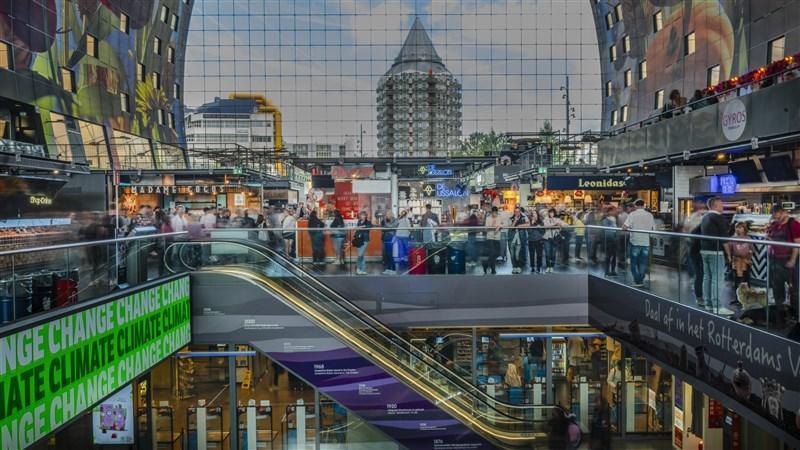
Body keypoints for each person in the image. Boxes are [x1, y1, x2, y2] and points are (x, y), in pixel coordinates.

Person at [765, 204, 800, 326]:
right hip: (775, 261)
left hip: (789, 261)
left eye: (777, 215)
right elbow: (768, 237)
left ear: (783, 212)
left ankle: (796, 316)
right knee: (777, 289)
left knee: (794, 290)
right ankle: (781, 315)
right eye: (774, 216)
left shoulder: (794, 224)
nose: (775, 218)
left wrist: (793, 260)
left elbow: (797, 244)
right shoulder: (774, 224)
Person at [699, 197, 731, 310]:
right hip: (716, 252)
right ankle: (717, 306)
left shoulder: (704, 217)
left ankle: (708, 304)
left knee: (707, 277)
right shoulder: (718, 218)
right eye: (721, 204)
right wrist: (729, 255)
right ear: (715, 206)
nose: (723, 206)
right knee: (717, 279)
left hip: (704, 250)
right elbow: (724, 239)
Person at [622, 199, 655, 287]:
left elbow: (624, 227)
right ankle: (641, 279)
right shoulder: (650, 215)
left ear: (635, 206)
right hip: (646, 242)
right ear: (644, 205)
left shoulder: (632, 214)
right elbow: (653, 229)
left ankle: (637, 281)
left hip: (635, 241)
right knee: (643, 262)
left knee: (634, 262)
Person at [730, 222, 753, 307]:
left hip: (746, 262)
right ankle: (737, 298)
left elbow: (751, 250)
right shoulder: (733, 238)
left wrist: (749, 258)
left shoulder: (748, 238)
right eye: (737, 227)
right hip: (736, 262)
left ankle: (748, 297)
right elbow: (730, 249)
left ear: (744, 229)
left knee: (746, 280)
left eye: (740, 227)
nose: (738, 229)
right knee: (736, 281)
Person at [542, 209, 565, 273]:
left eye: (552, 213)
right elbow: (546, 226)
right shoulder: (546, 219)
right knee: (547, 253)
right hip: (547, 238)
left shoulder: (558, 219)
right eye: (550, 213)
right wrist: (555, 224)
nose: (551, 214)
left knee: (553, 253)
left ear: (554, 213)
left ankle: (552, 266)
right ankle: (548, 266)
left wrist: (559, 224)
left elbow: (563, 225)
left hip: (555, 238)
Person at [508, 206, 528, 274]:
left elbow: (528, 224)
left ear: (520, 212)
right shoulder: (511, 218)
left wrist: (519, 226)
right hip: (512, 239)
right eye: (515, 211)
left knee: (518, 254)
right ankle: (514, 267)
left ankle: (518, 266)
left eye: (518, 211)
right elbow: (511, 228)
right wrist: (515, 220)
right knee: (512, 254)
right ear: (514, 212)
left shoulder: (524, 217)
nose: (517, 213)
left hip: (520, 239)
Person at [484, 207, 504, 275]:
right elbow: (486, 228)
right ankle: (493, 269)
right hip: (490, 237)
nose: (494, 214)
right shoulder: (488, 218)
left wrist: (499, 226)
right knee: (492, 253)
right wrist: (492, 225)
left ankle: (486, 264)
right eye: (493, 213)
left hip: (497, 237)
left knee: (498, 253)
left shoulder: (500, 217)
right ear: (491, 212)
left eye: (496, 213)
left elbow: (502, 224)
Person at [602, 206, 618, 276]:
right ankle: (607, 271)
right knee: (608, 256)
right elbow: (608, 231)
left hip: (614, 238)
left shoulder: (614, 219)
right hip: (609, 239)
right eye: (613, 210)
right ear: (609, 212)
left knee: (614, 255)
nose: (615, 212)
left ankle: (613, 270)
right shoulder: (605, 220)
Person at [527, 209, 544, 274]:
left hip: (539, 240)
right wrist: (532, 224)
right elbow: (529, 232)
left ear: (537, 215)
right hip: (531, 240)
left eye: (535, 213)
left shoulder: (541, 222)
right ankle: (532, 267)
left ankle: (539, 267)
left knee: (539, 254)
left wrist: (539, 227)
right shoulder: (530, 222)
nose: (534, 215)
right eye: (533, 214)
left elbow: (543, 232)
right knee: (531, 254)